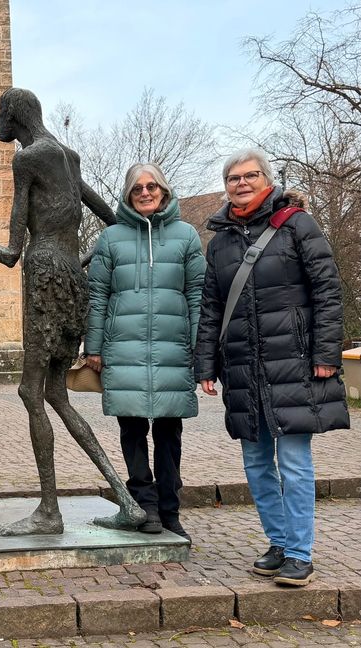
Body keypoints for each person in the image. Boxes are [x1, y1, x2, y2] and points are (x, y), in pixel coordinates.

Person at [0, 88, 146, 535]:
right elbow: (117, 221)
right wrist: (80, 262)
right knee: (55, 394)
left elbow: (11, 252)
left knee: (31, 393)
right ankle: (127, 501)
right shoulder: (69, 156)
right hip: (71, 280)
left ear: (14, 116)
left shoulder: (28, 159)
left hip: (43, 279)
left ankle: (49, 512)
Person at [195, 149, 349, 586]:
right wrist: (205, 363)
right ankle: (279, 541)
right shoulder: (221, 241)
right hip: (244, 367)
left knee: (296, 462)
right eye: (233, 177)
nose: (241, 183)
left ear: (267, 180)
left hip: (295, 363)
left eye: (250, 175)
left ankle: (300, 553)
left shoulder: (298, 224)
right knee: (257, 464)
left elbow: (327, 291)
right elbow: (211, 308)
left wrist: (325, 356)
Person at [84, 163, 204, 542]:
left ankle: (170, 510)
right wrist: (94, 345)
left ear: (164, 191)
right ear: (128, 194)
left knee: (170, 432)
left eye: (152, 186)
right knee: (132, 430)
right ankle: (144, 506)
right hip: (123, 349)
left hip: (173, 348)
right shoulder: (111, 238)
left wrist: (201, 347)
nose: (146, 192)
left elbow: (198, 293)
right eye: (138, 188)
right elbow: (98, 295)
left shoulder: (186, 236)